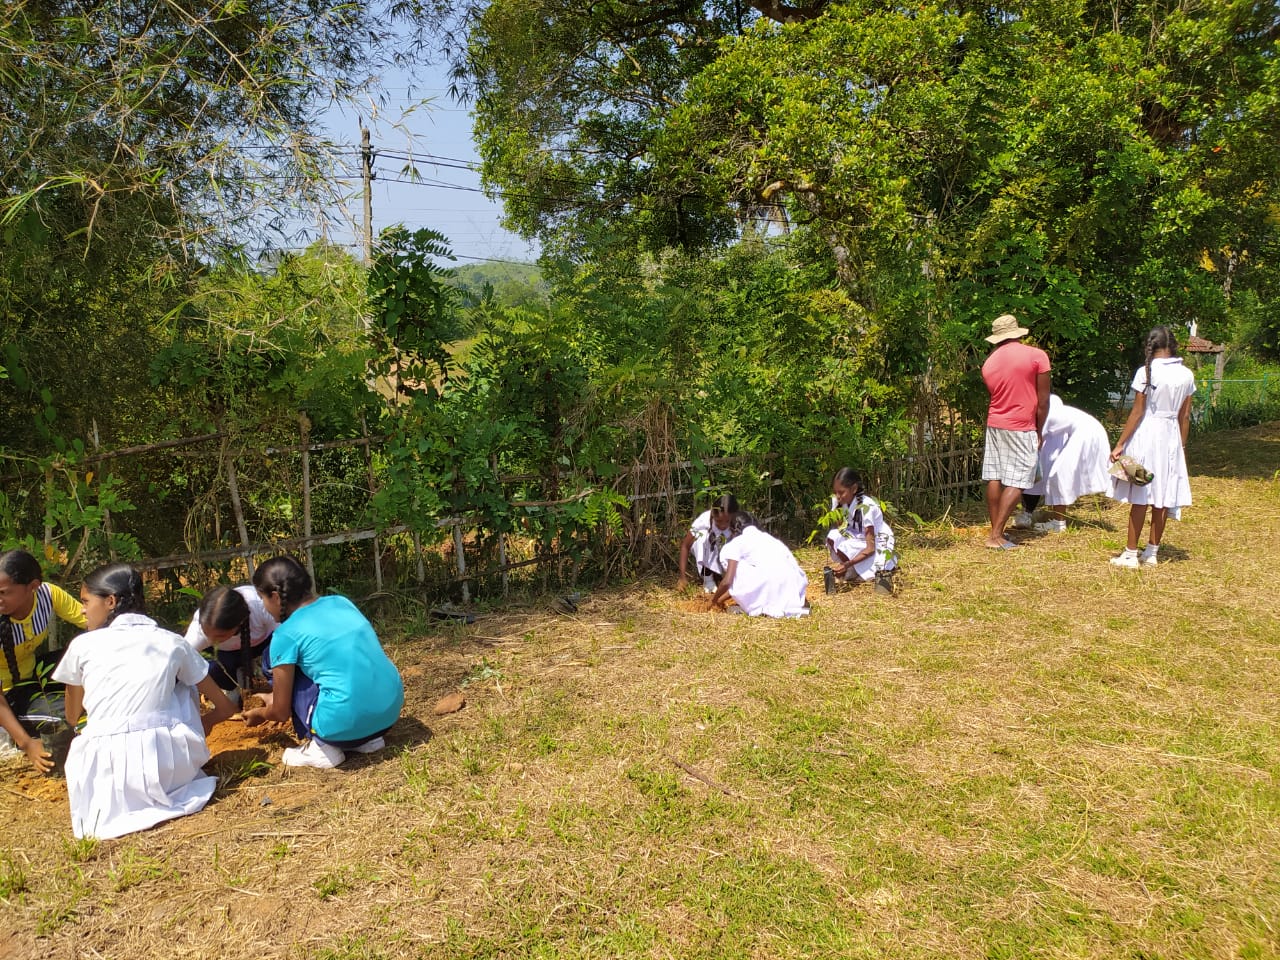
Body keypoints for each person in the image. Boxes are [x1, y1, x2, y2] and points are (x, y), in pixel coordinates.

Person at [52, 563, 237, 839]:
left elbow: (71, 715)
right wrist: (202, 722)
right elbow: (225, 707)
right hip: (169, 767)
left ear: (111, 601)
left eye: (85, 602)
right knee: (182, 685)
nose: (82, 610)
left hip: (104, 781)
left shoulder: (81, 646)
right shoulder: (172, 641)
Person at [242, 556, 404, 769]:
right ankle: (366, 740)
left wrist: (262, 713)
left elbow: (280, 713)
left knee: (269, 660)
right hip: (389, 712)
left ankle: (323, 748)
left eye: (262, 598)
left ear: (275, 597)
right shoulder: (340, 602)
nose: (263, 606)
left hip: (342, 723)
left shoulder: (285, 635)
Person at [1108, 326, 1196, 568]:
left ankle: (1130, 554)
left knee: (1141, 494)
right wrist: (1182, 446)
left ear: (1150, 346)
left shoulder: (1145, 371)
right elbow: (1185, 416)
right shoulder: (1186, 374)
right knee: (1163, 496)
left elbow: (1137, 412)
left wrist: (1120, 443)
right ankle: (1152, 552)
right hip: (1171, 438)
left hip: (1146, 435)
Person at [0, 548, 87, 772]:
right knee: (61, 719)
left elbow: (92, 622)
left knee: (81, 654)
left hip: (34, 674)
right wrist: (27, 743)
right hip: (8, 693)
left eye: (4, 592)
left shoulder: (48, 595)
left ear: (33, 587)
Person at [980, 313, 1051, 550]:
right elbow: (1043, 401)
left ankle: (995, 531)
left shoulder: (989, 363)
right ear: (1017, 333)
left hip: (995, 422)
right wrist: (1039, 430)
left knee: (995, 476)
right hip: (1021, 424)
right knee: (1020, 478)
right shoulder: (1036, 356)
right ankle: (996, 535)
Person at [1013, 396, 1112, 533]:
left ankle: (1058, 524)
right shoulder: (1057, 412)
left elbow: (1035, 441)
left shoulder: (1045, 414)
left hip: (1085, 434)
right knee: (1058, 475)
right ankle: (1057, 521)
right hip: (1092, 432)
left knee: (1057, 476)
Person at [185, 584, 279, 707]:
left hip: (263, 643)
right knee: (209, 669)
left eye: (219, 637)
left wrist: (279, 697)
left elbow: (287, 639)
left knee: (274, 659)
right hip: (226, 654)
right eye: (207, 635)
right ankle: (232, 685)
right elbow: (179, 660)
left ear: (238, 624)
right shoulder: (199, 627)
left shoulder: (260, 604)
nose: (211, 640)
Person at [711, 512, 810, 618]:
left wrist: (712, 602)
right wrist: (720, 600)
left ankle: (763, 608)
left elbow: (728, 581)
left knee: (734, 563)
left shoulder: (735, 544)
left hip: (770, 588)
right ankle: (789, 608)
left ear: (733, 529)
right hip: (793, 587)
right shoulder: (770, 540)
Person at [823, 468, 897, 594]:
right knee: (833, 536)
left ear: (854, 489)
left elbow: (870, 548)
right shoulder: (842, 502)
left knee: (869, 572)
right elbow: (842, 528)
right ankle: (853, 568)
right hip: (857, 537)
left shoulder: (866, 508)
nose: (838, 496)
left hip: (877, 542)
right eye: (835, 492)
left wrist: (847, 564)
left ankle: (855, 568)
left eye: (841, 492)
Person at [676, 494, 738, 592]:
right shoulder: (704, 520)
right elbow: (685, 546)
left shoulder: (739, 523)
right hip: (708, 553)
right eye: (718, 521)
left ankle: (725, 576)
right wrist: (682, 576)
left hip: (728, 560)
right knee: (702, 537)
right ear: (713, 515)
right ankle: (708, 579)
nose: (722, 525)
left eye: (727, 521)